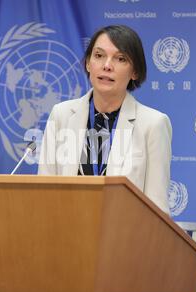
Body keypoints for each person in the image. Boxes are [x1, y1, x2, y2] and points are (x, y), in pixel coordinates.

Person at [37, 25, 172, 214]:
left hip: (124, 238)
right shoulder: (62, 115)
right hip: (66, 233)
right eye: (99, 56)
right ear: (88, 64)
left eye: (120, 58)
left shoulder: (153, 124)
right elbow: (45, 192)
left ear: (135, 72)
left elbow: (157, 209)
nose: (107, 65)